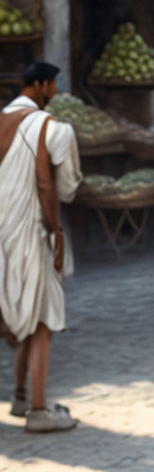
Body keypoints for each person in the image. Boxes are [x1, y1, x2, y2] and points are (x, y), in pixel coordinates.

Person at [0, 62, 81, 432]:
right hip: (30, 230)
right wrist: (56, 232)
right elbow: (52, 187)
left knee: (20, 311)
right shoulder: (47, 126)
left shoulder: (3, 120)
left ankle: (19, 395)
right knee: (42, 317)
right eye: (53, 84)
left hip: (3, 230)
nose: (56, 91)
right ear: (41, 85)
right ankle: (38, 409)